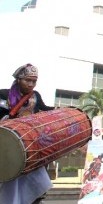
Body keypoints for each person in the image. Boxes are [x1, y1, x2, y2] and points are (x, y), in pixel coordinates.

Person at [0, 63, 55, 204]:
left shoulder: (35, 96)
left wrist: (60, 110)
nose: (31, 84)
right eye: (27, 80)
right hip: (8, 146)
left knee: (32, 179)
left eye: (34, 81)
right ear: (18, 80)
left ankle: (35, 199)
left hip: (30, 147)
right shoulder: (3, 95)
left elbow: (44, 110)